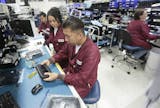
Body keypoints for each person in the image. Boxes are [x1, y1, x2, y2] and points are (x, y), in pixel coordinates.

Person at [41, 17, 100, 98]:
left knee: (59, 99)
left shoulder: (92, 52)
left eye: (68, 36)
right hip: (70, 74)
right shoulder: (72, 43)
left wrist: (59, 76)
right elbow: (62, 53)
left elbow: (83, 78)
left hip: (82, 84)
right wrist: (50, 60)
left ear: (79, 35)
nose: (66, 39)